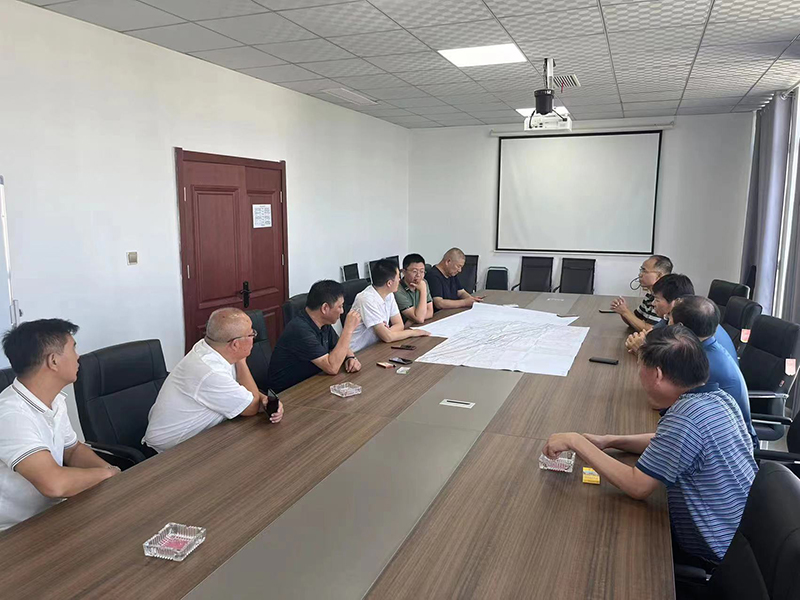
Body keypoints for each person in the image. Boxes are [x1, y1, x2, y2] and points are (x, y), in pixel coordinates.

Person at [543, 326, 757, 566]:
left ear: (657, 374)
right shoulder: (717, 398)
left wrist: (576, 441)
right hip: (741, 531)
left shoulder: (685, 419)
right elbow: (665, 442)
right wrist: (610, 440)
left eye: (639, 365)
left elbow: (637, 486)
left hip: (713, 548)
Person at [0, 319, 120, 531]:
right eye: (73, 348)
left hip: (54, 513)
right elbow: (54, 484)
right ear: (53, 361)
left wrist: (109, 471)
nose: (78, 356)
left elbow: (72, 450)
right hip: (16, 531)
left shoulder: (54, 400)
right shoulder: (11, 415)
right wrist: (107, 474)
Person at [144, 307, 283, 453]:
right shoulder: (210, 371)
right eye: (251, 333)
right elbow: (252, 407)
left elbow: (242, 392)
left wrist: (264, 399)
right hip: (170, 452)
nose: (254, 337)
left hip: (203, 437)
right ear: (235, 344)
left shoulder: (212, 348)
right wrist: (242, 361)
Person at [670, 296, 758, 448]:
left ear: (680, 327)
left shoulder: (702, 363)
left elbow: (670, 402)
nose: (667, 323)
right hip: (716, 430)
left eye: (669, 319)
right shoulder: (705, 344)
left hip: (732, 445)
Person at [268, 280, 362, 393]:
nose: (342, 311)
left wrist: (350, 357)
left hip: (313, 383)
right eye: (340, 306)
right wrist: (348, 329)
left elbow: (338, 345)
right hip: (288, 393)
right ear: (325, 308)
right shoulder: (300, 329)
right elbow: (332, 367)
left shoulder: (323, 323)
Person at [348, 259, 430, 352]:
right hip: (358, 352)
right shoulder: (366, 299)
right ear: (389, 283)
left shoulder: (389, 294)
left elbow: (399, 325)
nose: (399, 280)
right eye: (398, 277)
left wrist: (387, 333)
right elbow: (388, 337)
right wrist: (413, 332)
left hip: (378, 346)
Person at [625, 273, 694, 353]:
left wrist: (641, 350)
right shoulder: (666, 319)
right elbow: (648, 336)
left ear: (675, 303)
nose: (653, 303)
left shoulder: (684, 335)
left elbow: (667, 358)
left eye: (657, 300)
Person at [611, 255, 673, 332]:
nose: (640, 275)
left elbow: (650, 330)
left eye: (644, 271)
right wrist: (622, 310)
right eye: (641, 270)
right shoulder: (650, 296)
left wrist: (625, 312)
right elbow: (634, 321)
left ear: (659, 276)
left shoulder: (663, 299)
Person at [395, 253, 433, 325]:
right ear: (404, 272)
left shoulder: (423, 283)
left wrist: (412, 320)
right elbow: (419, 319)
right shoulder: (397, 289)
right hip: (404, 329)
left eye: (422, 271)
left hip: (416, 325)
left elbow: (430, 312)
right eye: (414, 271)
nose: (418, 275)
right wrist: (423, 290)